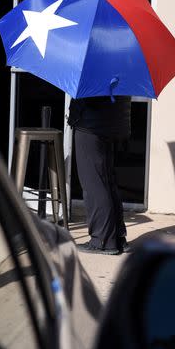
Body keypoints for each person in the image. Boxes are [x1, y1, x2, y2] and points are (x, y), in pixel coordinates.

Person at [67, 95, 132, 255]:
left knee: (94, 183)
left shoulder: (93, 71)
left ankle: (102, 241)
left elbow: (89, 97)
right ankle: (117, 238)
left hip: (91, 125)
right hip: (109, 125)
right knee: (107, 181)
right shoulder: (120, 70)